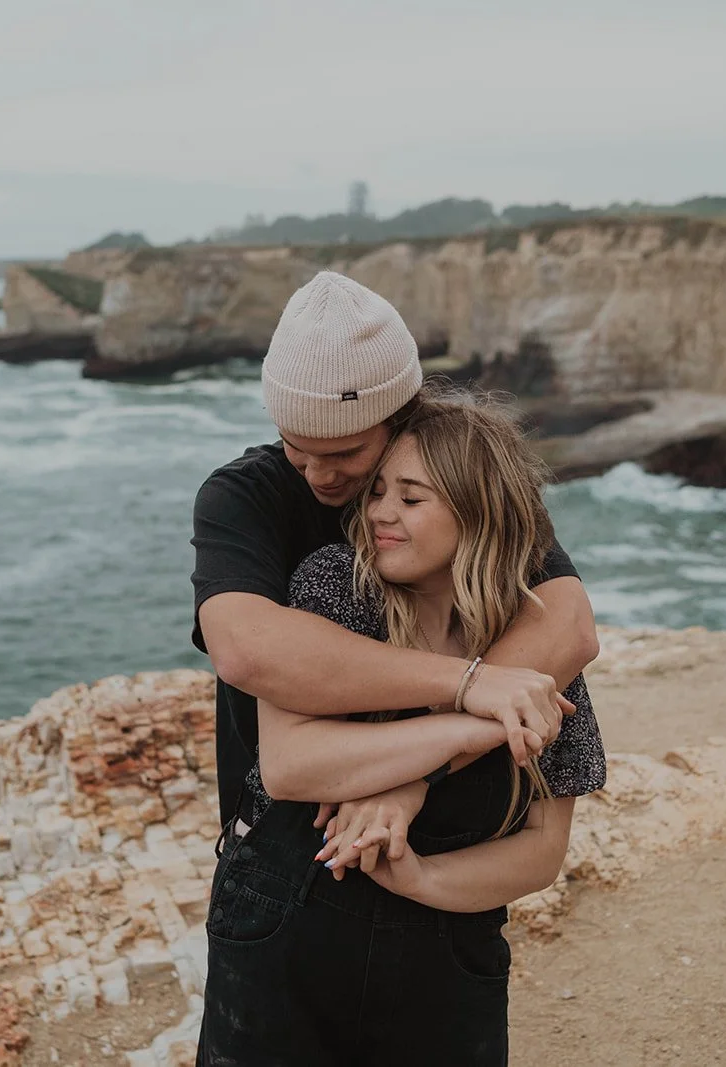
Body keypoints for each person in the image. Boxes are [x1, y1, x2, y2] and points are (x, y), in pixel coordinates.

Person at [196, 390, 606, 1065]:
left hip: (453, 949)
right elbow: (292, 763)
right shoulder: (335, 588)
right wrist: (466, 728)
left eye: (410, 498)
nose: (379, 511)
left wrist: (417, 875)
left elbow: (543, 846)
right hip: (286, 928)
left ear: (478, 512)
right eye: (379, 490)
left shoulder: (537, 640)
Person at [190, 271, 599, 831]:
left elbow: (567, 627)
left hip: (449, 835)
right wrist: (470, 684)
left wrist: (413, 778)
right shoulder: (243, 494)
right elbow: (246, 650)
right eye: (297, 447)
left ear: (400, 417)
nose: (319, 475)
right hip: (280, 846)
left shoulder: (462, 476)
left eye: (348, 452)